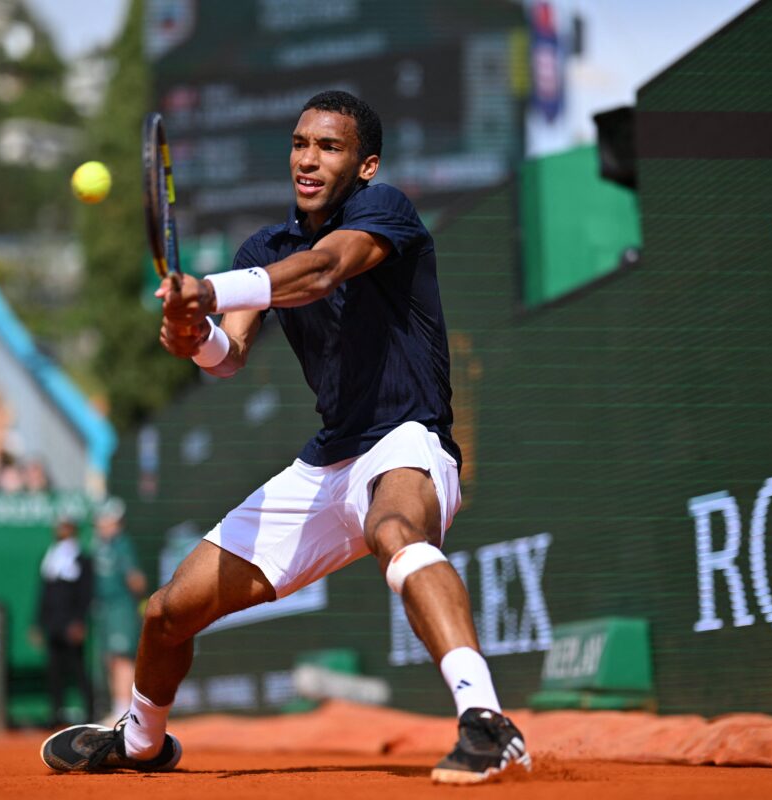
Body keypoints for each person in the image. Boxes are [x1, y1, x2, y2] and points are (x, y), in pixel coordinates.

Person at [41, 91, 529, 784]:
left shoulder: (383, 211)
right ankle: (142, 740)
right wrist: (193, 334)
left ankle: (485, 720)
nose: (308, 159)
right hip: (327, 462)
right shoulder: (263, 249)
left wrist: (206, 290)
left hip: (406, 439)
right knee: (167, 613)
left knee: (396, 532)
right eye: (300, 143)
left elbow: (324, 270)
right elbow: (228, 355)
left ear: (365, 166)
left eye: (329, 148)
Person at [89, 498, 147, 727]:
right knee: (111, 659)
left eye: (107, 521)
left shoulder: (122, 545)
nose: (103, 525)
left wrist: (138, 597)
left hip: (121, 608)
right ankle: (118, 708)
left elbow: (137, 581)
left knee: (122, 658)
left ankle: (125, 711)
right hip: (104, 610)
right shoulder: (99, 545)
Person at [35, 515, 95, 727]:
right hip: (53, 623)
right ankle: (55, 714)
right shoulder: (50, 557)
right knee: (54, 671)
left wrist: (79, 621)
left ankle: (90, 713)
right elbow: (44, 593)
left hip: (71, 624)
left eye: (66, 528)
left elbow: (86, 593)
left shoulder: (83, 558)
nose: (62, 531)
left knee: (78, 669)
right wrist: (38, 623)